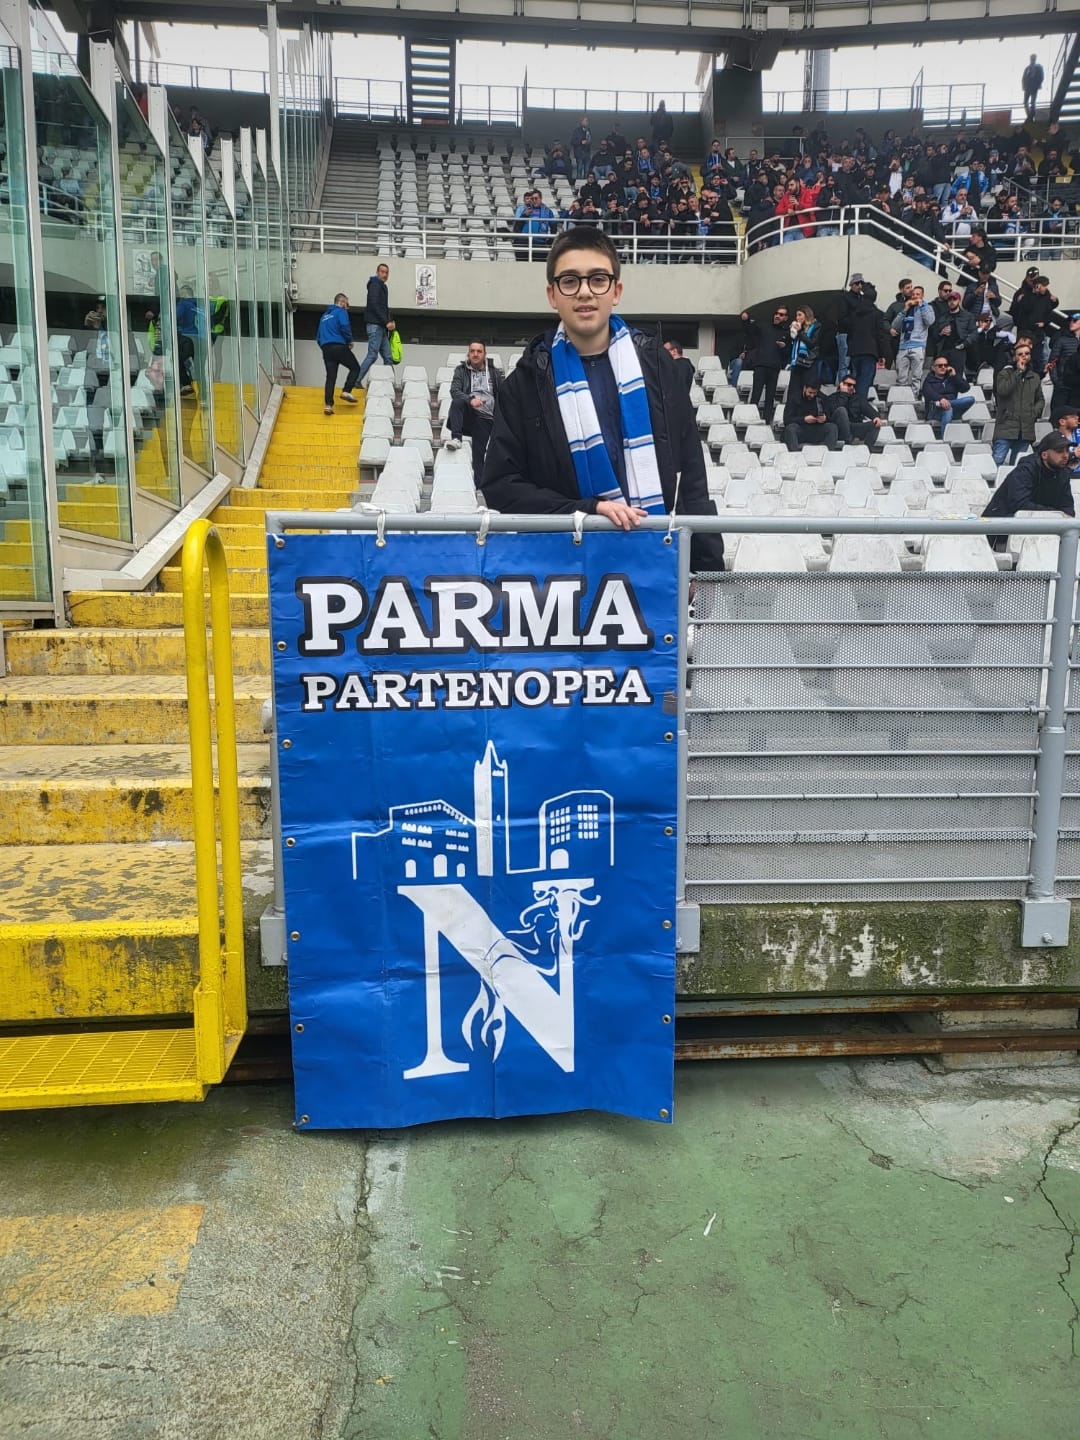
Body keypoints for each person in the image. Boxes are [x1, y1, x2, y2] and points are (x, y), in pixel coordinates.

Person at [479, 226, 725, 572]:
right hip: (563, 570)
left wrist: (704, 567)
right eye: (570, 281)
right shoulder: (524, 384)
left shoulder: (659, 369)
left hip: (656, 564)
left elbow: (691, 475)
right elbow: (501, 486)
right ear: (552, 294)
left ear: (616, 291)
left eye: (598, 280)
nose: (584, 292)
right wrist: (586, 511)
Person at [983, 433, 1073, 523]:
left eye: (1067, 451)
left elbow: (1068, 506)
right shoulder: (1025, 470)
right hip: (999, 524)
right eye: (1060, 451)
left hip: (1040, 524)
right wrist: (1056, 514)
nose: (1065, 456)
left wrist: (1062, 515)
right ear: (1044, 455)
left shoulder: (1063, 472)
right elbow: (1020, 505)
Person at [445, 340, 501, 484]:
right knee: (457, 401)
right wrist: (471, 400)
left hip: (487, 417)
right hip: (470, 413)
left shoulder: (494, 373)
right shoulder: (461, 370)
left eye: (479, 351)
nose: (475, 354)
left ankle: (480, 487)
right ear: (468, 354)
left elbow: (503, 395)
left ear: (485, 354)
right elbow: (454, 391)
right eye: (472, 351)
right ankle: (456, 438)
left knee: (479, 453)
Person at [992, 339, 1044, 466]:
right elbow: (1002, 391)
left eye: (1027, 353)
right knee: (997, 462)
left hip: (1026, 430)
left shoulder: (1035, 377)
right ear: (1014, 357)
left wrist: (1034, 412)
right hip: (1006, 426)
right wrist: (1018, 373)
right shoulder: (1004, 374)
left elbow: (1040, 399)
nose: (1024, 356)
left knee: (1018, 465)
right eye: (1020, 354)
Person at [739, 303, 790, 424]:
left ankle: (767, 423)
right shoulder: (764, 326)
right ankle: (751, 420)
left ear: (786, 318)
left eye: (781, 314)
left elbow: (788, 353)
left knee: (770, 397)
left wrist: (783, 347)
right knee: (756, 395)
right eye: (776, 313)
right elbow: (750, 330)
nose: (777, 316)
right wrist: (745, 320)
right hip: (760, 365)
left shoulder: (786, 333)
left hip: (774, 368)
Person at [316, 292, 359, 416]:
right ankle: (346, 390)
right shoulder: (341, 312)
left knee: (331, 377)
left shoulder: (324, 316)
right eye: (347, 303)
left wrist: (324, 347)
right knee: (355, 368)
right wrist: (349, 340)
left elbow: (318, 337)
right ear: (341, 302)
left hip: (326, 349)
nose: (347, 306)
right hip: (339, 346)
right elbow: (345, 326)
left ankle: (328, 405)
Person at [355, 264, 396, 387]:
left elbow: (384, 307)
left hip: (381, 326)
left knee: (388, 357)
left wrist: (390, 320)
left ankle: (390, 383)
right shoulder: (375, 284)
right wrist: (386, 321)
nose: (385, 274)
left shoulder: (382, 286)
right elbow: (374, 305)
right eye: (382, 272)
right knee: (372, 355)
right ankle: (355, 380)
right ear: (377, 272)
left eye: (386, 272)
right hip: (375, 325)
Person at [889, 283, 935, 388]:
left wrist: (922, 306)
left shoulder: (927, 307)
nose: (915, 296)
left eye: (918, 294)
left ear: (922, 296)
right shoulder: (906, 307)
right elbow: (895, 326)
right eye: (913, 294)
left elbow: (930, 321)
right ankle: (902, 396)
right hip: (903, 346)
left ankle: (914, 396)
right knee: (901, 378)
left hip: (918, 345)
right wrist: (905, 309)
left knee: (916, 377)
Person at [921, 358, 974, 437]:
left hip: (952, 408)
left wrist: (955, 376)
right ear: (933, 368)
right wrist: (941, 399)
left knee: (970, 399)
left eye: (945, 365)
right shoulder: (929, 380)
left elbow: (966, 388)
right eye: (940, 365)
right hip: (934, 411)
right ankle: (945, 438)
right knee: (948, 409)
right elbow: (928, 393)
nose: (943, 367)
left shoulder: (952, 378)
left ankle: (945, 404)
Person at [826, 375, 884, 446]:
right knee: (841, 410)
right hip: (838, 429)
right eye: (849, 385)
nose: (852, 387)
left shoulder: (858, 398)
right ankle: (849, 440)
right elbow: (833, 411)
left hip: (854, 427)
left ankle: (866, 449)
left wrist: (876, 417)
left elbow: (870, 410)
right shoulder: (832, 398)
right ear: (841, 384)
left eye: (854, 385)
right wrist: (844, 394)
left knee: (875, 424)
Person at [783, 379, 839, 452]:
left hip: (816, 429)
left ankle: (828, 454)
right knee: (790, 429)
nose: (812, 395)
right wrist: (804, 419)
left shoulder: (821, 398)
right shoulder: (794, 398)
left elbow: (829, 416)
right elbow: (787, 420)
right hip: (800, 429)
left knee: (832, 427)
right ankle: (794, 455)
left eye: (814, 393)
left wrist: (825, 418)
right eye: (810, 392)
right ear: (804, 388)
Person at [1022, 54, 1044, 123]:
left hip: (1034, 87)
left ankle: (1031, 116)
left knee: (1032, 102)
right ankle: (1029, 116)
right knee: (1025, 102)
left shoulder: (1039, 67)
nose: (1032, 60)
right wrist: (1024, 86)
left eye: (1033, 58)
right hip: (1028, 87)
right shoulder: (1027, 68)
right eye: (1031, 58)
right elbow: (1024, 77)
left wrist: (1038, 84)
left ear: (1035, 59)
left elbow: (1041, 77)